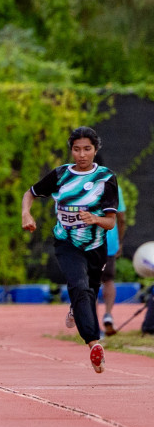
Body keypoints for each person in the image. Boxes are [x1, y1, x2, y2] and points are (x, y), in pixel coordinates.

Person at [23, 125, 121, 374]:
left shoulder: (106, 178)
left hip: (95, 246)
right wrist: (27, 214)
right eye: (77, 149)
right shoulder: (60, 175)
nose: (82, 154)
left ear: (95, 149)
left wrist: (95, 219)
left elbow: (110, 222)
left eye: (87, 149)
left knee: (88, 291)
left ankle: (77, 310)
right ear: (71, 151)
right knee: (78, 285)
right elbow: (30, 193)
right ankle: (93, 344)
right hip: (67, 243)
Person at [98, 190, 127, 335]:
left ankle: (92, 321)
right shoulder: (113, 186)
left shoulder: (78, 182)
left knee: (90, 283)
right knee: (108, 280)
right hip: (109, 242)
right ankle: (108, 314)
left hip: (86, 242)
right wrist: (119, 241)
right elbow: (121, 217)